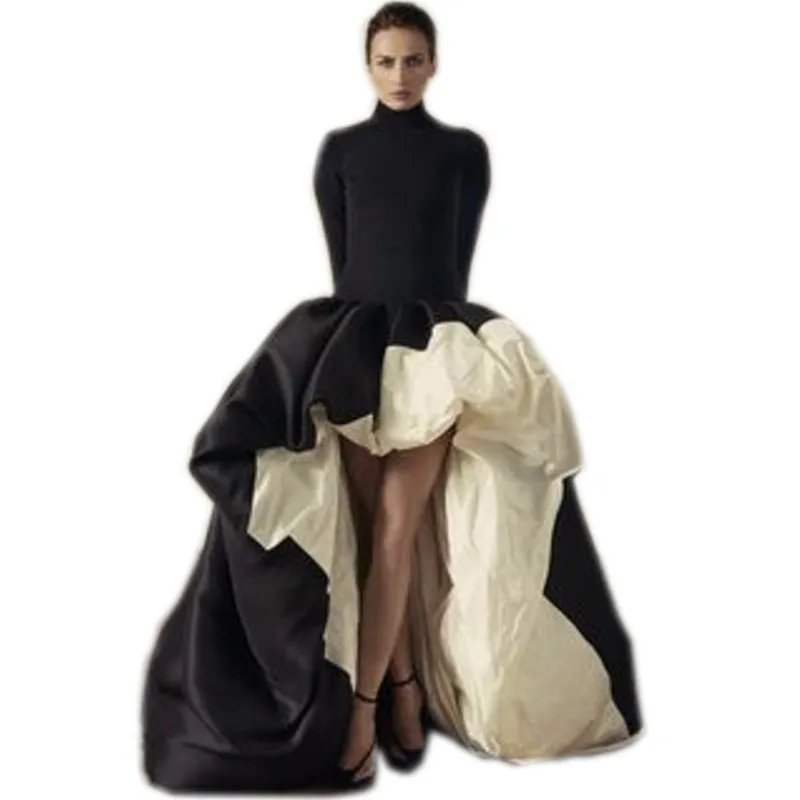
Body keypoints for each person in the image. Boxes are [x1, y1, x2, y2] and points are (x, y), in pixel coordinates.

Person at [141, 2, 643, 793]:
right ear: (367, 66)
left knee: (401, 528)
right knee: (375, 533)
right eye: (386, 61)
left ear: (433, 63)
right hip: (353, 352)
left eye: (413, 60)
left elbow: (456, 261)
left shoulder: (464, 151)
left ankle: (365, 709)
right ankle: (403, 685)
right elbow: (345, 263)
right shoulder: (340, 151)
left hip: (435, 351)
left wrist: (440, 333)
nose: (400, 75)